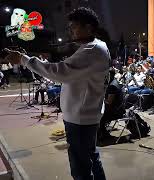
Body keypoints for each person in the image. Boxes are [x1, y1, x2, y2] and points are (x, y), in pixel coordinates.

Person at [5, 7, 108, 180]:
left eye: (74, 26)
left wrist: (23, 59)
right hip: (86, 116)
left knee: (80, 167)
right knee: (91, 157)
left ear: (89, 27)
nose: (70, 30)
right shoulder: (98, 46)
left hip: (80, 119)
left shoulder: (91, 51)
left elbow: (60, 72)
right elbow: (65, 72)